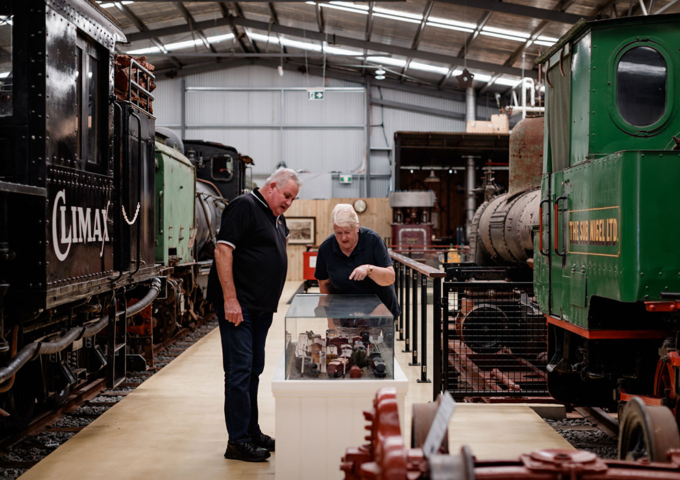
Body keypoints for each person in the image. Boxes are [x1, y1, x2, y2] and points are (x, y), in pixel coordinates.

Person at [207, 167, 302, 462]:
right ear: (271, 186)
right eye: (286, 195)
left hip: (260, 308)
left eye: (292, 199)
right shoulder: (244, 206)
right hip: (241, 306)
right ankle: (237, 441)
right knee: (239, 371)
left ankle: (251, 431)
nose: (288, 202)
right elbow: (223, 251)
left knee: (253, 369)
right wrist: (231, 299)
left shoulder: (276, 217)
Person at [314, 204, 401, 320]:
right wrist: (330, 318)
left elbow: (390, 278)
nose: (343, 238)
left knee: (374, 337)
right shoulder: (326, 248)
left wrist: (369, 269)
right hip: (345, 310)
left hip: (379, 310)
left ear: (357, 227)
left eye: (347, 232)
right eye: (338, 233)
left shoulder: (373, 240)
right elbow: (324, 284)